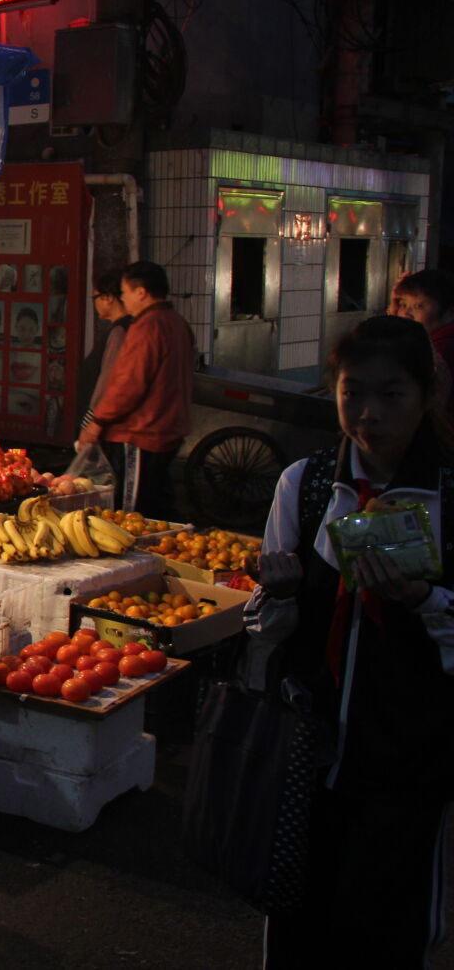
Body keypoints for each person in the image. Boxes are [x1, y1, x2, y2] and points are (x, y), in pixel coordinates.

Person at [246, 315, 454, 966]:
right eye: (351, 390)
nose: (368, 413)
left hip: (410, 764)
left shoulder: (449, 495)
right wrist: (276, 592)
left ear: (427, 393)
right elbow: (266, 631)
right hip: (306, 754)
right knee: (296, 927)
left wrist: (424, 600)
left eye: (391, 394)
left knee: (384, 935)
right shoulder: (305, 485)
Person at [78, 261, 194, 516]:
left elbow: (128, 384)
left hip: (141, 432)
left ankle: (140, 552)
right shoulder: (176, 322)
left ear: (141, 292)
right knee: (157, 500)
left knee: (133, 508)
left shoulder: (147, 326)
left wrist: (97, 422)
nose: (124, 299)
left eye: (125, 292)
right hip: (168, 429)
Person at [74, 270, 133, 480]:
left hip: (109, 429)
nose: (95, 303)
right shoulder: (121, 329)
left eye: (95, 297)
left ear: (108, 298)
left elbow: (109, 381)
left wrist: (91, 423)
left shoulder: (120, 331)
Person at [389, 267, 454, 420]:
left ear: (449, 313)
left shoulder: (439, 353)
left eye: (418, 306)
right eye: (403, 304)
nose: (405, 313)